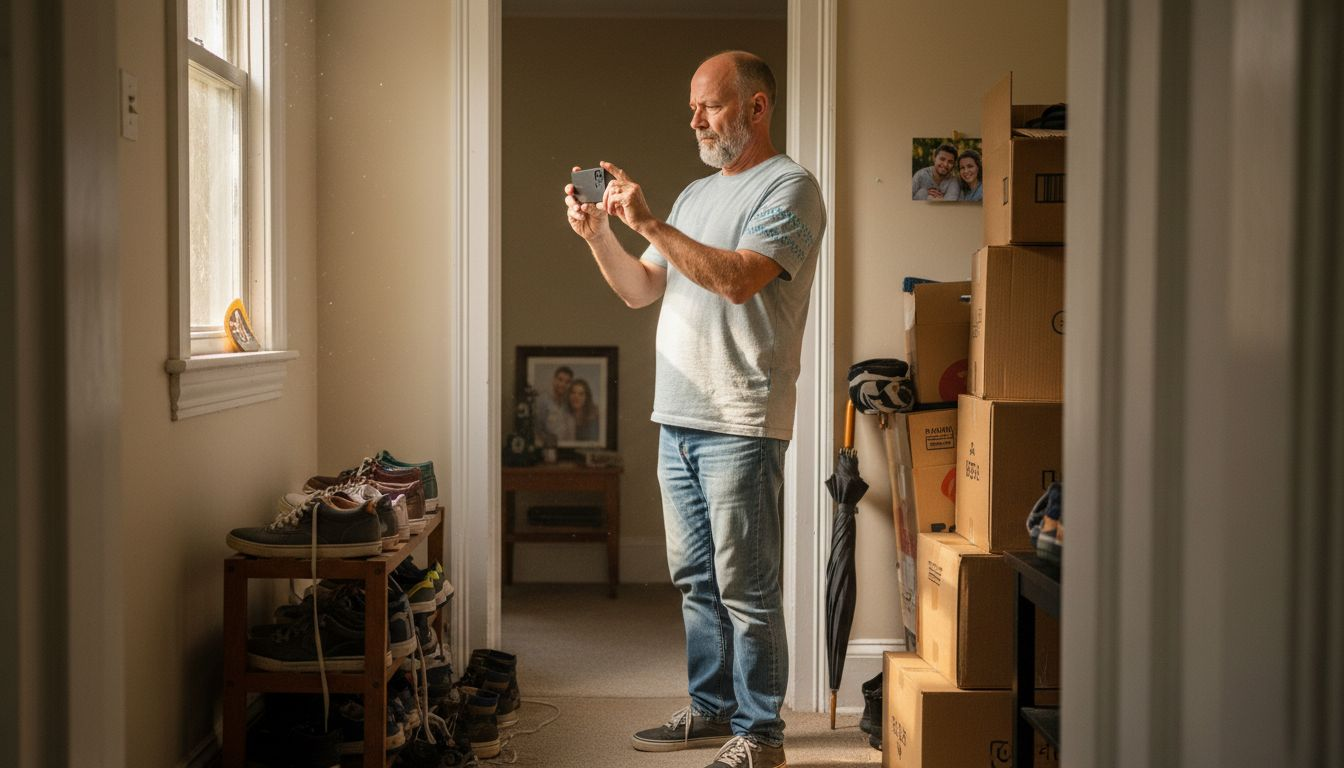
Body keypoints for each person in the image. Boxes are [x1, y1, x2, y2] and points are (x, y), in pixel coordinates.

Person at [563, 50, 824, 768]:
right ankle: (711, 711)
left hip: (741, 418)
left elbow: (738, 282)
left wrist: (648, 223)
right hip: (676, 415)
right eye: (693, 107)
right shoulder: (690, 197)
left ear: (756, 108)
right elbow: (642, 290)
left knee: (747, 582)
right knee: (695, 578)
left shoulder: (792, 188)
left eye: (708, 105)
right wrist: (601, 235)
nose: (695, 120)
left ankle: (762, 735)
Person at [533, 366, 575, 445]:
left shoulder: (567, 404)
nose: (563, 384)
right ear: (554, 380)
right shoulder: (542, 401)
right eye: (560, 379)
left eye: (567, 382)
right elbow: (536, 431)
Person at [567, 378, 600, 442]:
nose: (576, 397)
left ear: (586, 397)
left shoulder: (594, 419)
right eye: (573, 392)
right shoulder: (564, 415)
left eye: (581, 394)